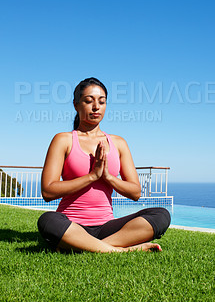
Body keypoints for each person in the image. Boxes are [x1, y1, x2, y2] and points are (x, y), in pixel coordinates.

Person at [38, 77, 171, 253]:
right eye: (88, 101)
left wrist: (107, 177)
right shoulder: (64, 140)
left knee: (161, 215)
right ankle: (118, 250)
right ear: (76, 105)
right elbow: (48, 191)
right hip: (71, 225)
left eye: (102, 102)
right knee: (47, 221)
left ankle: (88, 246)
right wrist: (92, 176)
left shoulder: (118, 143)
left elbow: (135, 192)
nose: (96, 107)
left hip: (106, 227)